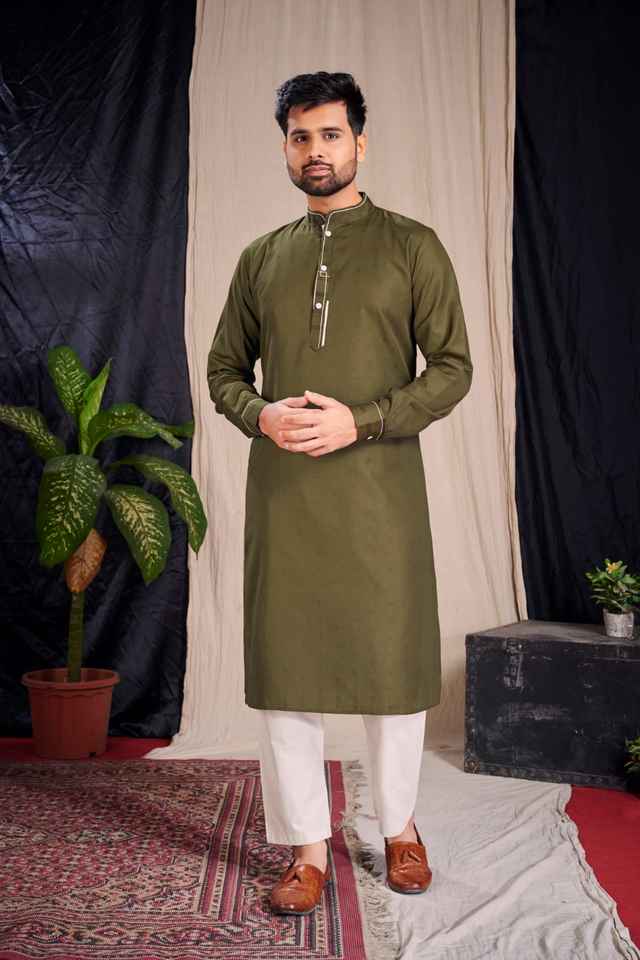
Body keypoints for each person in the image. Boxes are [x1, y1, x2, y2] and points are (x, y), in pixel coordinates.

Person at [207, 71, 473, 915]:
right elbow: (223, 371)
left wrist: (363, 420)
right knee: (288, 676)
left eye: (329, 135)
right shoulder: (261, 257)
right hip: (286, 498)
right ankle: (306, 849)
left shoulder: (413, 247)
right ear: (285, 148)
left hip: (380, 496)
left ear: (361, 141)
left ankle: (399, 828)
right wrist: (260, 415)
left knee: (391, 668)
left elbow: (453, 369)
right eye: (299, 137)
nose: (314, 151)